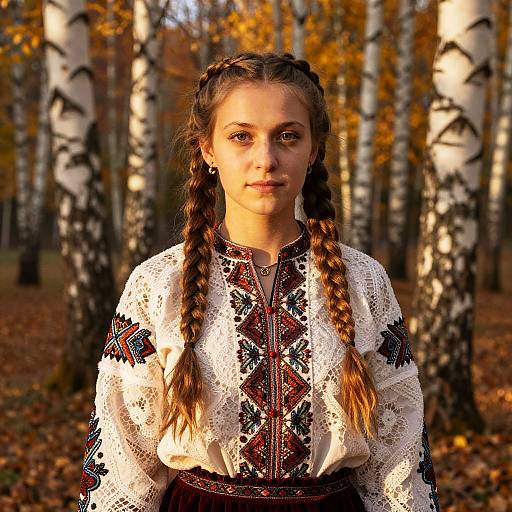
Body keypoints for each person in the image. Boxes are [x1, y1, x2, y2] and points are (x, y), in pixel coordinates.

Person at [77, 52, 440, 512]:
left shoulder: (363, 282)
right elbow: (123, 455)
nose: (265, 159)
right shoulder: (158, 284)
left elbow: (398, 453)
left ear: (314, 149)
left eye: (287, 136)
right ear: (209, 149)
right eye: (241, 137)